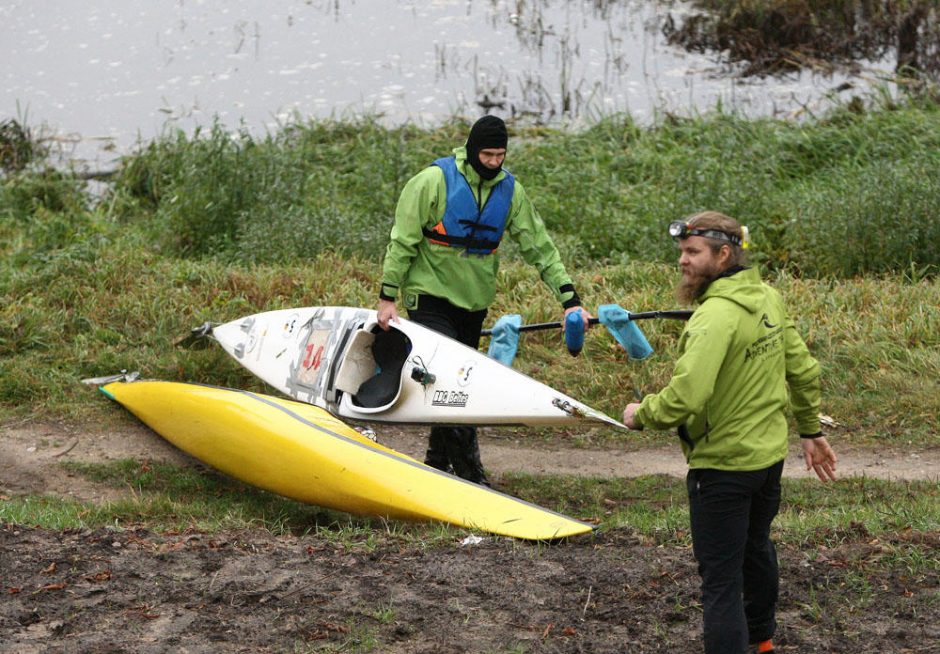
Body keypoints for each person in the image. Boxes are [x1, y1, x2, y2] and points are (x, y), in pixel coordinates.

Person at [622, 211, 837, 654]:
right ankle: (762, 643)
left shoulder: (713, 317)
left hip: (721, 468)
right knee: (756, 550)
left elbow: (686, 396)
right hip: (767, 462)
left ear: (724, 254)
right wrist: (810, 430)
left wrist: (642, 414)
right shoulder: (767, 297)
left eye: (692, 252)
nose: (683, 261)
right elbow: (803, 370)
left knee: (720, 582)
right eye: (682, 252)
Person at [377, 115, 591, 486]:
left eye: (500, 155)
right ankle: (471, 476)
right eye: (488, 154)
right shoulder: (432, 181)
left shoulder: (511, 191)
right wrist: (387, 296)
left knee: (450, 386)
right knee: (453, 383)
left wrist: (569, 298)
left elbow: (539, 246)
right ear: (474, 150)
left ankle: (435, 464)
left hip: (473, 303)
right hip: (429, 296)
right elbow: (403, 241)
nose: (494, 162)